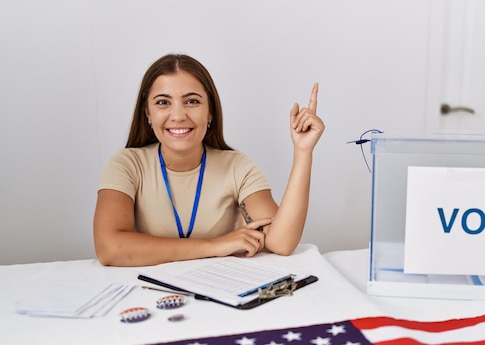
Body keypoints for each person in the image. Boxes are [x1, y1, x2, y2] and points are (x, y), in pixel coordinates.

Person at [93, 54, 324, 266]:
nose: (178, 115)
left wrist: (303, 152)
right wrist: (215, 245)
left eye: (192, 101)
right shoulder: (126, 164)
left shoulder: (237, 167)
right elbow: (109, 248)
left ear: (210, 111)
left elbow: (281, 243)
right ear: (148, 113)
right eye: (163, 102)